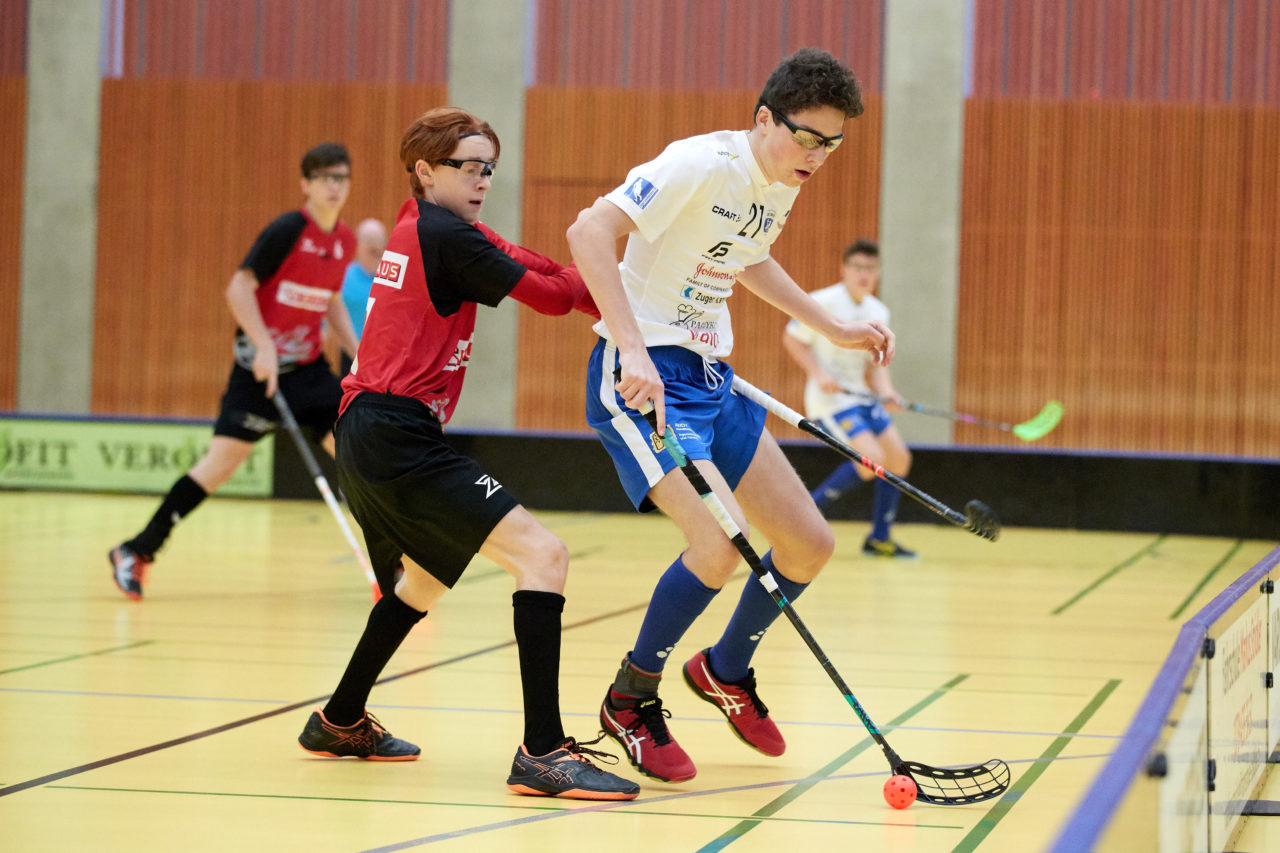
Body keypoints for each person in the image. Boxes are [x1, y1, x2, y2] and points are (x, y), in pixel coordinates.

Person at [565, 48, 894, 784]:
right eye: (807, 137)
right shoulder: (699, 163)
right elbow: (589, 232)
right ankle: (630, 696)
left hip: (713, 378)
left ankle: (725, 668)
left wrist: (831, 327)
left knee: (808, 543)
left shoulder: (780, 179)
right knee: (716, 544)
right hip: (642, 380)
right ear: (764, 119)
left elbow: (749, 259)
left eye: (833, 144)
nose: (818, 156)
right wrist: (631, 345)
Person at [294, 107, 638, 802]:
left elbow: (539, 265)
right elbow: (551, 294)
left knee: (420, 582)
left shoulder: (424, 225)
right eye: (467, 167)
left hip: (369, 428)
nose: (482, 179)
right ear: (424, 170)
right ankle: (543, 751)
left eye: (488, 167)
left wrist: (603, 269)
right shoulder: (446, 234)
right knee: (544, 556)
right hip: (395, 433)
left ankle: (338, 718)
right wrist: (623, 268)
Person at [108, 142, 361, 600]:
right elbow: (239, 287)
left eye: (341, 177)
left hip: (307, 372)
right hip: (256, 373)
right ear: (305, 184)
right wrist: (263, 345)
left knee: (357, 457)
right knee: (219, 467)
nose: (333, 186)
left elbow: (331, 302)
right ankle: (135, 551)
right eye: (324, 177)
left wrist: (359, 354)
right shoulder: (287, 230)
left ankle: (393, 569)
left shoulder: (343, 241)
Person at [783, 238, 916, 557]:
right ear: (844, 269)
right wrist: (818, 374)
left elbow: (877, 364)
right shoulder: (823, 301)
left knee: (898, 460)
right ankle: (803, 520)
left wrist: (887, 394)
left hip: (862, 397)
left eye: (870, 268)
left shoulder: (878, 310)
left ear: (878, 272)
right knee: (871, 460)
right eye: (857, 267)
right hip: (830, 401)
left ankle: (879, 538)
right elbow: (792, 338)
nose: (864, 274)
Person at [336, 217, 388, 375]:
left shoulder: (392, 279)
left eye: (379, 240)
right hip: (351, 352)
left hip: (385, 355)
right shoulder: (344, 277)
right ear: (358, 244)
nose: (375, 245)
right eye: (369, 240)